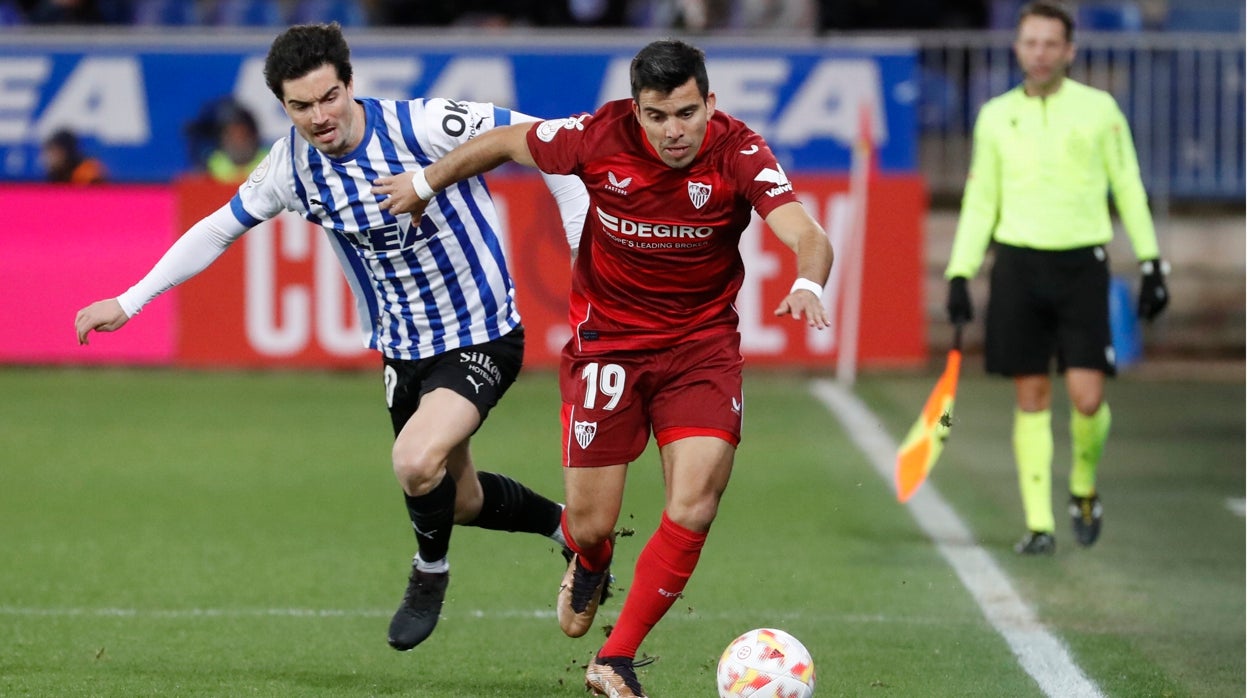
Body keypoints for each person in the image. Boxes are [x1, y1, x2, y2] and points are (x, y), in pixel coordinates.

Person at [74, 22, 590, 652]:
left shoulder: (424, 126)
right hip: (403, 349)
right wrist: (130, 301)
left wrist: (581, 248)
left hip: (483, 334)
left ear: (350, 85)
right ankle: (575, 536)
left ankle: (430, 572)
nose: (319, 116)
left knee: (413, 461)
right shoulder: (290, 167)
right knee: (458, 498)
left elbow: (553, 143)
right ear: (283, 107)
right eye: (300, 106)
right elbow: (216, 229)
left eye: (329, 97)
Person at [375, 38, 833, 697]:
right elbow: (509, 141)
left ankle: (616, 658)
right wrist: (423, 183)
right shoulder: (596, 135)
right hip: (609, 348)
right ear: (636, 110)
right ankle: (591, 557)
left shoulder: (739, 151)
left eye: (685, 113)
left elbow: (805, 232)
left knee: (696, 501)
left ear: (710, 103)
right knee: (591, 522)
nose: (673, 131)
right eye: (657, 115)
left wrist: (809, 283)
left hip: (700, 349)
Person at [943, 0, 1169, 556]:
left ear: (1069, 50)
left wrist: (1151, 261)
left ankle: (1083, 487)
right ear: (1017, 47)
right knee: (1032, 395)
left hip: (1081, 267)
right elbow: (981, 199)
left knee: (1088, 399)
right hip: (1018, 265)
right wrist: (959, 271)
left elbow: (1129, 187)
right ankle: (1039, 524)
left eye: (1050, 43)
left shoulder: (1099, 111)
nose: (1039, 53)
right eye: (1030, 42)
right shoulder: (995, 115)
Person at [206, 101, 269, 184]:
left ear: (253, 136)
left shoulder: (271, 160)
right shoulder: (212, 165)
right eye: (231, 135)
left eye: (242, 135)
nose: (237, 142)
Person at [41, 128, 106, 184]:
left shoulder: (87, 173)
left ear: (67, 153)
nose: (50, 157)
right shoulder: (53, 176)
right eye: (49, 151)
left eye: (55, 152)